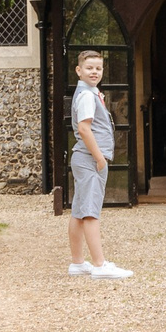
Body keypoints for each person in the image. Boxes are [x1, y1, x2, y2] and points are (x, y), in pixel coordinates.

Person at [68, 52, 132, 279]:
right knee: (90, 212)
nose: (94, 72)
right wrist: (99, 158)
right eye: (89, 68)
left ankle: (77, 263)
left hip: (84, 158)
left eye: (98, 68)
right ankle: (99, 265)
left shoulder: (89, 93)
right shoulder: (86, 95)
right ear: (79, 70)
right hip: (89, 159)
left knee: (79, 210)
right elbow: (84, 129)